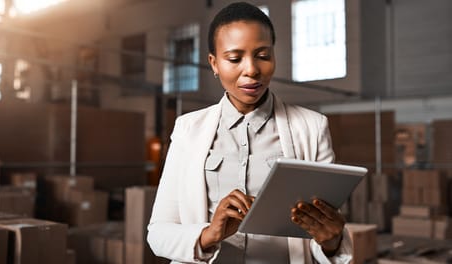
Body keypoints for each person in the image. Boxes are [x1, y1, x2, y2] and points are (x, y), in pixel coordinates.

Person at [147, 2, 352, 263]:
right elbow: (158, 233)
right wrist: (209, 234)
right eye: (234, 59)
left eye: (263, 55)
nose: (252, 69)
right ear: (214, 63)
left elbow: (320, 234)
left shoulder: (311, 127)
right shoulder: (188, 129)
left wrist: (332, 241)